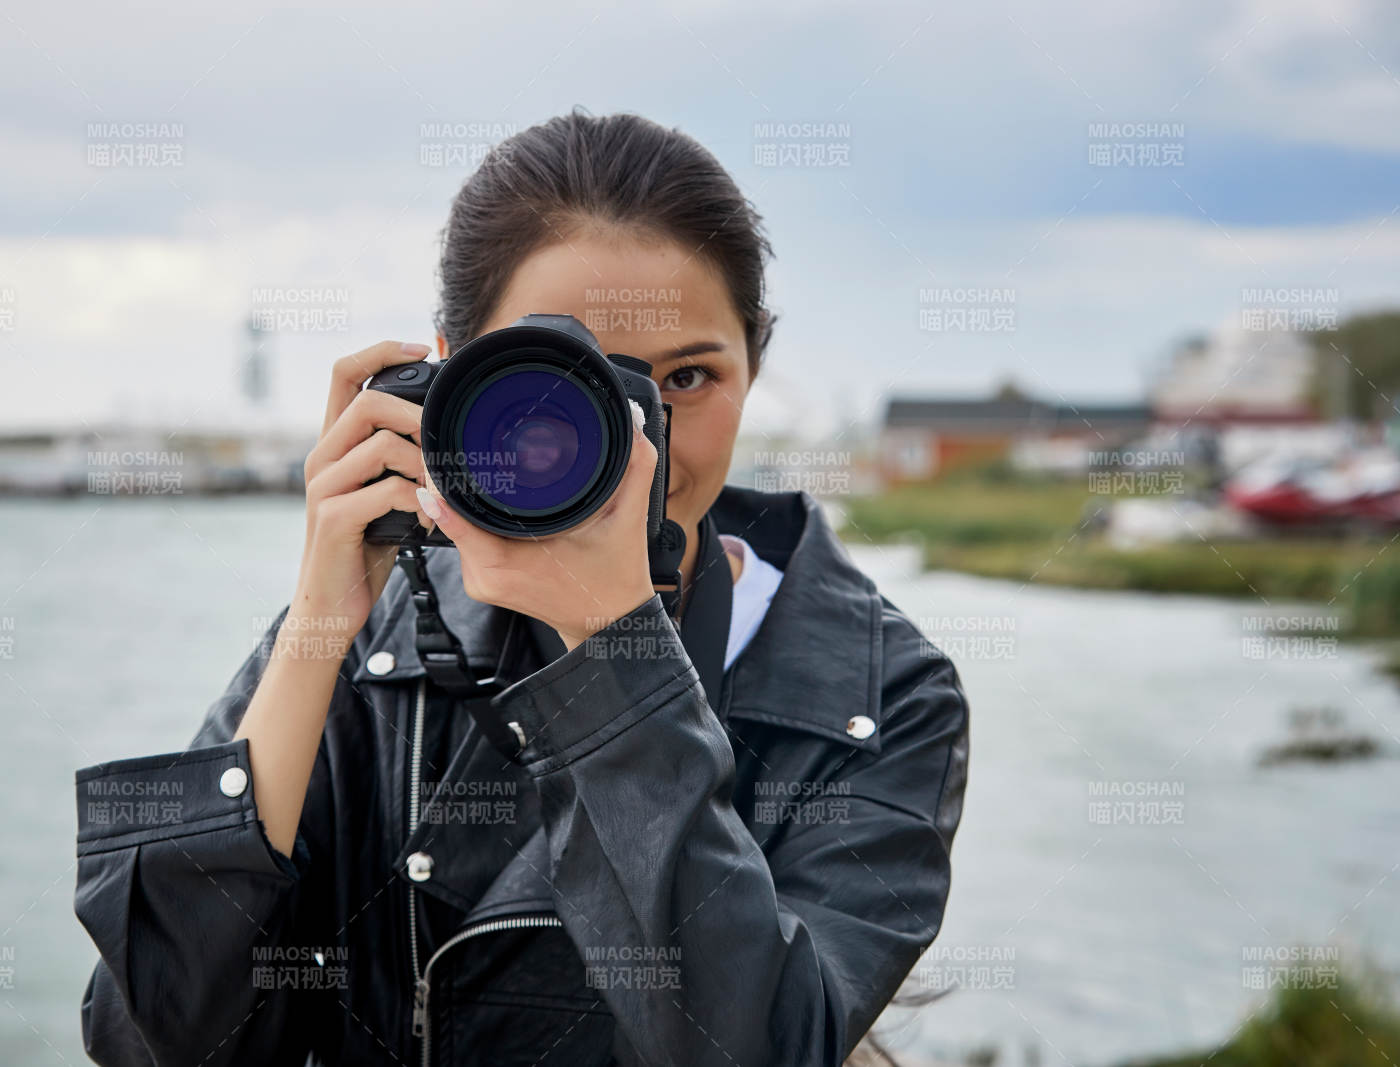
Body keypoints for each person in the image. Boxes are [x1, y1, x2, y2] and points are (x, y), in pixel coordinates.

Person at [73, 107, 970, 1067]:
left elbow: (758, 1049)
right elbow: (150, 1035)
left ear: (755, 366)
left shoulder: (880, 692)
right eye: (572, 383)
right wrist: (318, 621)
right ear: (454, 377)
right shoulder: (379, 628)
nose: (639, 442)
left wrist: (613, 642)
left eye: (690, 377)